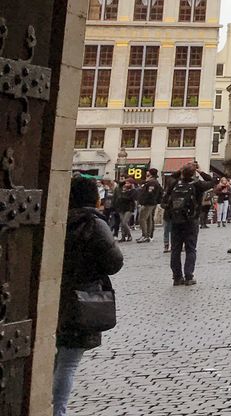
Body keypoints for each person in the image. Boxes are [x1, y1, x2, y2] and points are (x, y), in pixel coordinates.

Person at [54, 176, 125, 416]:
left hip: (55, 293)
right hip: (83, 296)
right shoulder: (94, 223)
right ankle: (57, 411)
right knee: (69, 361)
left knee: (55, 355)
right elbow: (114, 262)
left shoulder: (56, 218)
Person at [163, 162, 217, 285]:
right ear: (194, 173)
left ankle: (177, 277)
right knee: (190, 249)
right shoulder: (197, 184)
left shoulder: (174, 183)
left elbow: (171, 177)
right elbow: (213, 181)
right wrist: (200, 171)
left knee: (175, 249)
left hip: (176, 220)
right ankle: (189, 276)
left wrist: (180, 170)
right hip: (191, 220)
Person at [135, 168, 162, 242]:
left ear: (150, 174)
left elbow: (150, 194)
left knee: (142, 218)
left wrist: (143, 202)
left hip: (148, 203)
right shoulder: (152, 182)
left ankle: (145, 235)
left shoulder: (152, 183)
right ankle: (148, 235)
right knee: (148, 219)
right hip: (151, 203)